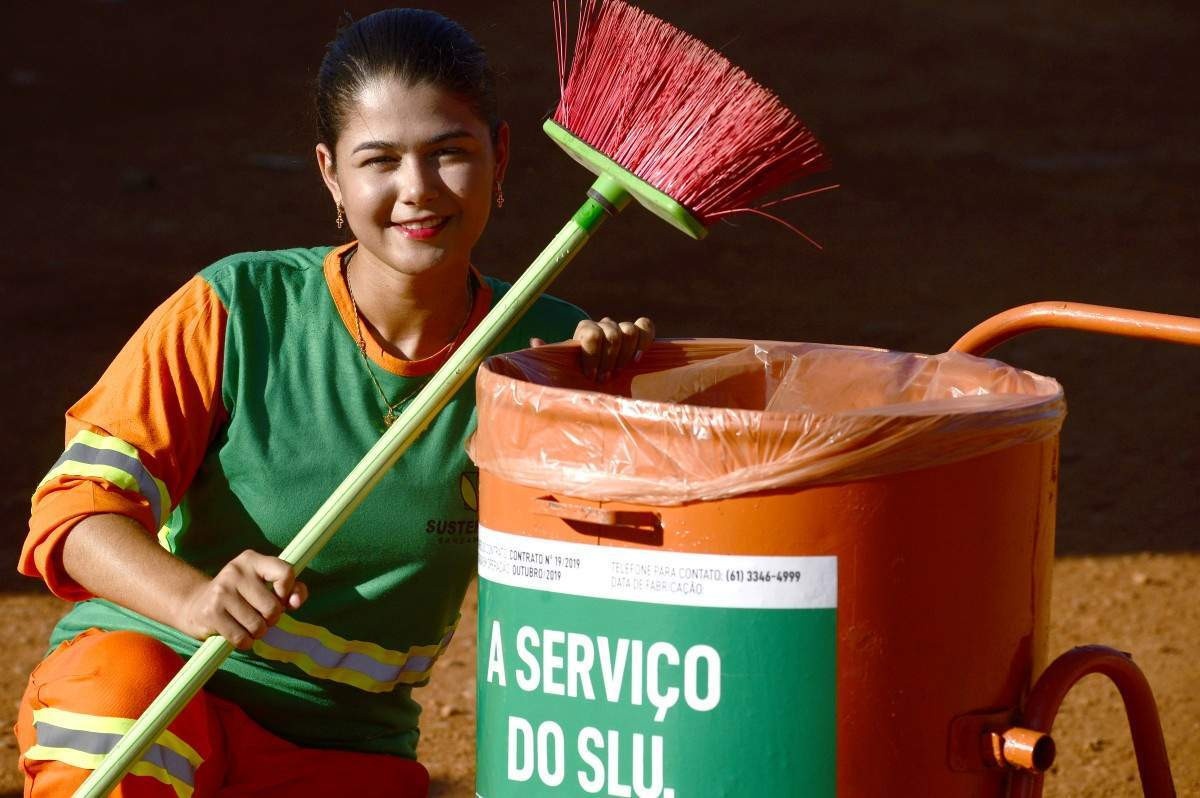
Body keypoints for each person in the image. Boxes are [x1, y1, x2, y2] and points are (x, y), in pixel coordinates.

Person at [15, 9, 653, 797]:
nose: (416, 191)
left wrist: (611, 419)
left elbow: (626, 568)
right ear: (331, 176)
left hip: (346, 741)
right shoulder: (237, 307)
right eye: (378, 160)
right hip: (163, 681)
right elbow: (74, 515)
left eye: (450, 153)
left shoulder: (543, 359)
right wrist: (197, 598)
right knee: (114, 703)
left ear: (501, 156)